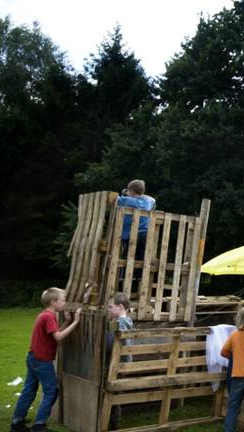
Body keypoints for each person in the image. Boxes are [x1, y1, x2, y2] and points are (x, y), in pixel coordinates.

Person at [10, 288, 82, 432]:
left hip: (33, 357)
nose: (65, 302)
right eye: (63, 300)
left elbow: (53, 334)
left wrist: (67, 322)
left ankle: (17, 423)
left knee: (29, 390)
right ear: (53, 301)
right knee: (52, 391)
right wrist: (76, 322)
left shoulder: (45, 315)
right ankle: (39, 426)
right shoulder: (49, 317)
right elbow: (59, 338)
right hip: (41, 361)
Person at [106, 293, 134, 430]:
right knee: (113, 392)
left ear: (121, 307)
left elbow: (118, 343)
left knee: (114, 393)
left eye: (111, 307)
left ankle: (113, 422)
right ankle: (112, 420)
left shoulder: (120, 323)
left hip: (118, 364)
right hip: (117, 363)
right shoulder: (121, 322)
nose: (108, 309)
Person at [117, 179, 156, 274]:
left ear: (131, 191)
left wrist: (124, 193)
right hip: (144, 234)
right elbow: (153, 200)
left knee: (127, 258)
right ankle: (138, 279)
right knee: (141, 259)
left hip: (132, 235)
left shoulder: (127, 200)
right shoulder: (148, 202)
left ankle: (123, 278)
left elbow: (116, 199)